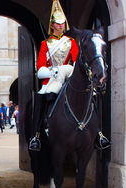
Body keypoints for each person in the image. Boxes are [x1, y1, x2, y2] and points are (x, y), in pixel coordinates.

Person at [28, 0, 110, 151]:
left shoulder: (71, 42)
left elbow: (77, 60)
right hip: (52, 77)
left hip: (70, 75)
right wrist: (54, 71)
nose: (60, 26)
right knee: (42, 97)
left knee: (91, 94)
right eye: (57, 24)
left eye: (62, 23)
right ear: (52, 25)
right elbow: (40, 69)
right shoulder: (45, 44)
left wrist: (71, 71)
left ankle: (98, 133)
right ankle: (36, 136)